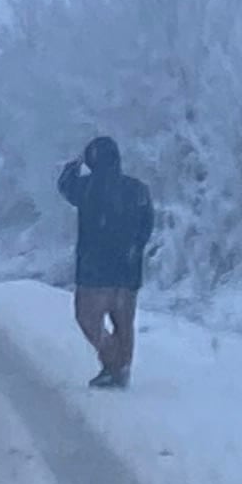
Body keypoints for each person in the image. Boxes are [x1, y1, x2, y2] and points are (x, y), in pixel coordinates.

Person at [57, 132, 155, 388]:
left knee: (88, 319)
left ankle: (114, 362)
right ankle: (120, 369)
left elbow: (64, 186)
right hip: (128, 271)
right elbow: (147, 226)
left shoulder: (87, 187)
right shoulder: (138, 189)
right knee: (124, 323)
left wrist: (74, 165)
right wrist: (134, 249)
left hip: (94, 272)